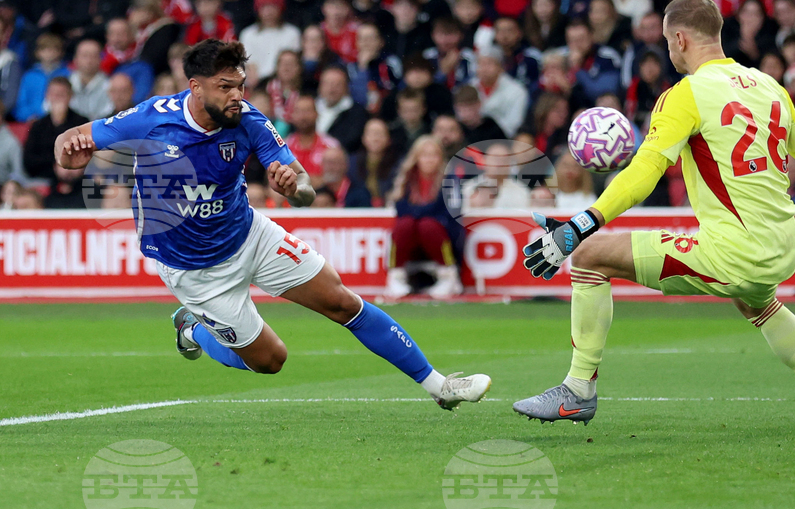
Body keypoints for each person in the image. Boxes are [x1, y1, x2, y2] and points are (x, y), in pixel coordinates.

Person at [53, 39, 489, 409]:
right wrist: (68, 152)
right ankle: (193, 327)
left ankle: (441, 386)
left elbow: (305, 189)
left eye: (240, 85)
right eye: (225, 87)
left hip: (250, 236)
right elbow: (73, 140)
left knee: (342, 302)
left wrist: (293, 187)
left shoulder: (250, 122)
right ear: (195, 87)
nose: (236, 96)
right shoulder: (152, 118)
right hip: (195, 270)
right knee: (270, 360)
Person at [513, 0, 795, 435]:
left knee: (589, 257)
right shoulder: (769, 86)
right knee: (758, 303)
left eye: (669, 41)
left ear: (680, 39)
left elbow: (645, 172)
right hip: (781, 247)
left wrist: (581, 224)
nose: (669, 49)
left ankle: (577, 391)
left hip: (734, 252)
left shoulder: (685, 95)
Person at [385, 136, 463, 298]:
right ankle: (395, 277)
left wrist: (419, 214)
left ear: (440, 158)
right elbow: (401, 210)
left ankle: (449, 276)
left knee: (427, 225)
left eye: (434, 155)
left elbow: (450, 214)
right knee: (405, 224)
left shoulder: (450, 180)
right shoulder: (405, 179)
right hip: (412, 238)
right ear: (416, 158)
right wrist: (422, 214)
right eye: (424, 155)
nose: (429, 160)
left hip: (441, 239)